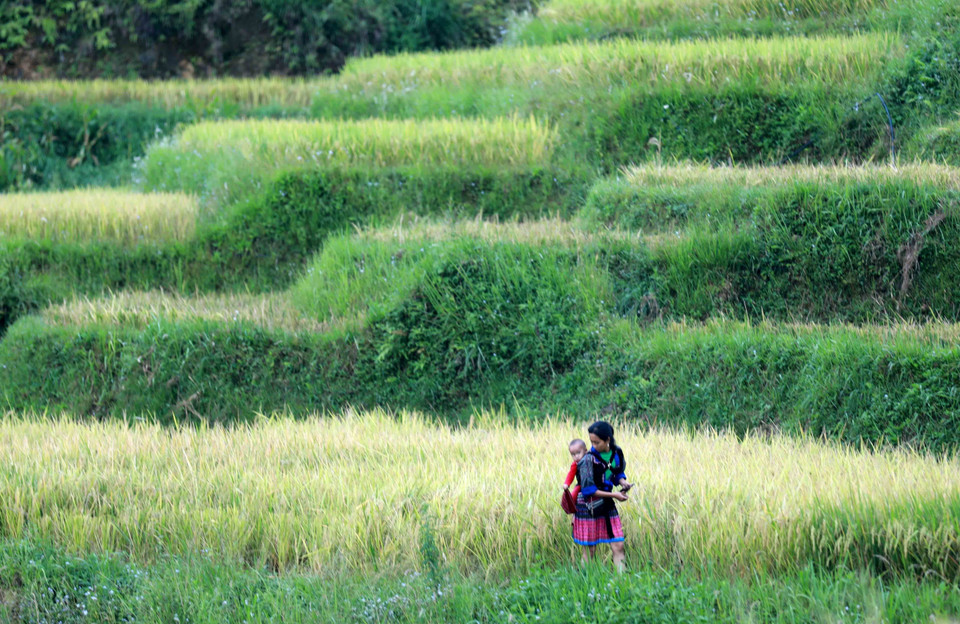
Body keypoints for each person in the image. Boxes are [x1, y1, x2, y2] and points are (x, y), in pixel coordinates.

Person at [573, 420, 633, 572]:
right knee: (590, 549)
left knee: (618, 544)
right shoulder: (587, 460)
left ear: (608, 440)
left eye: (597, 442)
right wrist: (615, 494)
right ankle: (584, 582)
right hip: (589, 504)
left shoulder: (616, 453)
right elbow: (588, 490)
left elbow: (616, 473)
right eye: (591, 441)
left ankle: (622, 583)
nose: (593, 445)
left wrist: (623, 482)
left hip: (607, 503)